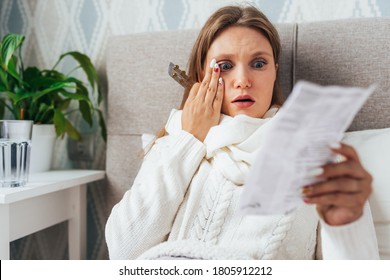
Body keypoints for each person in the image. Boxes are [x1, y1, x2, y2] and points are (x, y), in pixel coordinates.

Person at [105, 4, 379, 260]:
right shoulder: (174, 143)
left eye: (258, 64)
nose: (243, 81)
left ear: (275, 73)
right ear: (202, 77)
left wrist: (346, 227)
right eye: (224, 66)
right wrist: (189, 140)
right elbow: (123, 251)